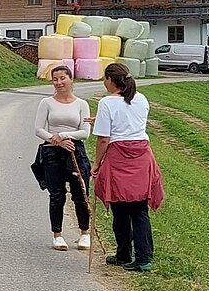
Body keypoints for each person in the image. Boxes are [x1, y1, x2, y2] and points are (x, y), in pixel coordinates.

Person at [93, 62, 164, 272]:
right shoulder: (141, 99)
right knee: (139, 209)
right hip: (142, 155)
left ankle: (125, 253)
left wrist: (96, 163)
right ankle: (143, 257)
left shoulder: (107, 103)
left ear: (110, 80)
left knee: (120, 207)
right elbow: (131, 123)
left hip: (119, 156)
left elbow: (104, 139)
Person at [33, 65, 91, 251]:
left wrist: (65, 135)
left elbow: (85, 132)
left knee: (80, 194)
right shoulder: (47, 103)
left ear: (71, 79)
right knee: (57, 195)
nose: (58, 83)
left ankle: (85, 233)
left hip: (75, 150)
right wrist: (56, 140)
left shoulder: (81, 104)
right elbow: (39, 129)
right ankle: (57, 235)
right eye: (55, 79)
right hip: (52, 151)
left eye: (62, 78)